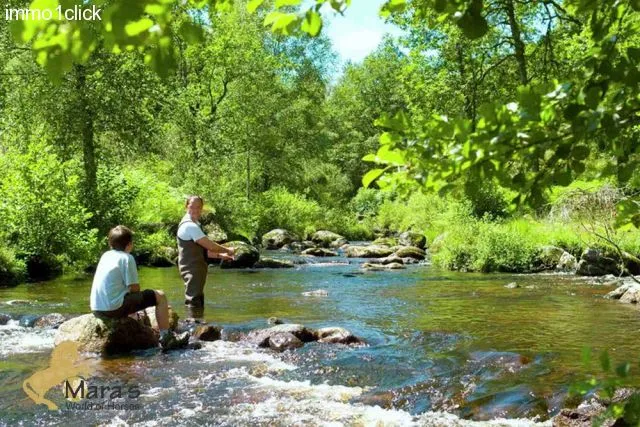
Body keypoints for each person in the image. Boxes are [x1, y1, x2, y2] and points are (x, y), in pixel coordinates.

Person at [90, 225, 189, 351]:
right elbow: (134, 288)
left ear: (110, 243)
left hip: (97, 308)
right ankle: (167, 337)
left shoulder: (106, 256)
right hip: (113, 309)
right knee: (160, 295)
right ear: (130, 244)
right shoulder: (127, 258)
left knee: (131, 298)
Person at [177, 196, 234, 311]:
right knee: (193, 299)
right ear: (186, 206)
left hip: (195, 268)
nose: (195, 210)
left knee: (197, 297)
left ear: (202, 208)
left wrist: (220, 256)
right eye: (192, 207)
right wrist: (228, 250)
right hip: (192, 269)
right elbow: (210, 245)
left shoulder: (195, 224)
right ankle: (193, 326)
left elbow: (202, 250)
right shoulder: (190, 226)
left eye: (198, 207)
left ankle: (197, 324)